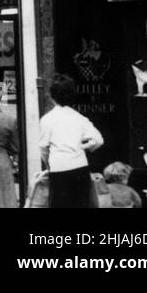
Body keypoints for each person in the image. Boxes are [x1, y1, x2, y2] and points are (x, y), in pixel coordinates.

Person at [39, 73, 103, 208]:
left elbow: (43, 148)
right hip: (80, 168)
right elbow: (98, 140)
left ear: (51, 96)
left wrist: (48, 165)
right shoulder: (79, 118)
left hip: (58, 169)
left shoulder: (47, 119)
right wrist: (83, 147)